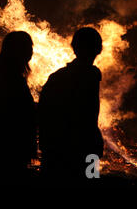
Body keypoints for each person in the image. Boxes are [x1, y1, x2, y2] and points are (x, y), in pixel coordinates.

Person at [39, 27, 104, 182]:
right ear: (98, 49)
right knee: (89, 181)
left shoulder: (57, 78)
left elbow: (43, 116)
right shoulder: (90, 77)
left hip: (58, 153)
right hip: (82, 150)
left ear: (74, 47)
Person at [0, 31, 37, 183]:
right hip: (10, 151)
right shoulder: (11, 80)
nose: (31, 51)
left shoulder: (6, 77)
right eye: (28, 47)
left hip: (5, 151)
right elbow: (15, 115)